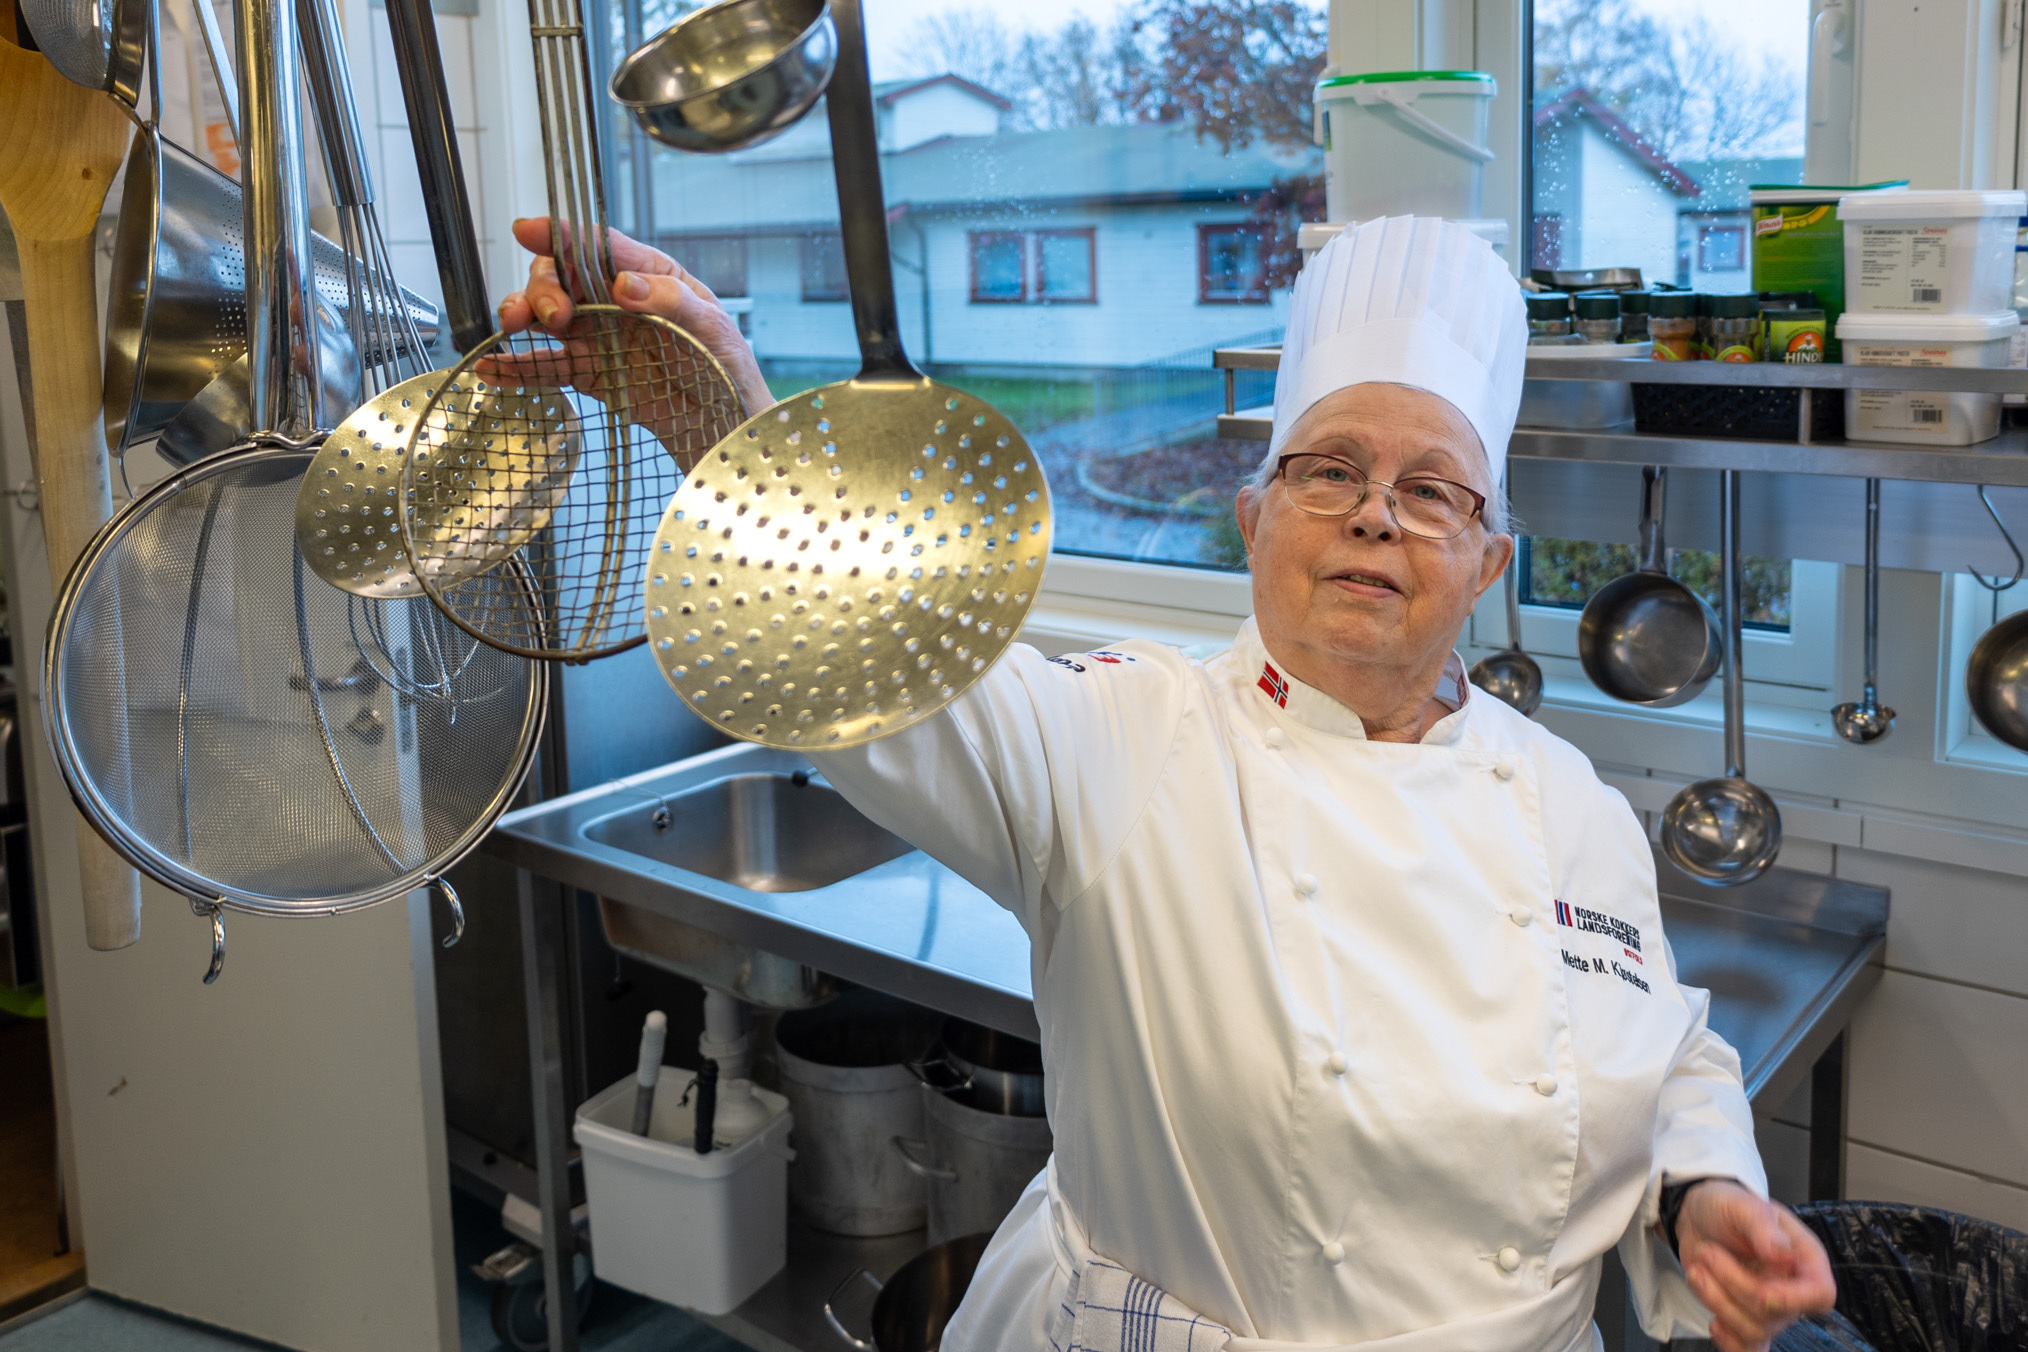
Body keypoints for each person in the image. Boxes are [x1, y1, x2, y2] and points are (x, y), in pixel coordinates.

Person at [500, 214, 1837, 1352]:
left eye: (1435, 490)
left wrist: (1702, 1191)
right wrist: (723, 413)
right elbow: (878, 645)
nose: (1378, 511)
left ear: (1488, 564)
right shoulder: (1124, 736)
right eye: (1331, 471)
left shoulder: (1568, 800)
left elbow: (1663, 1051)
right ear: (1255, 520)